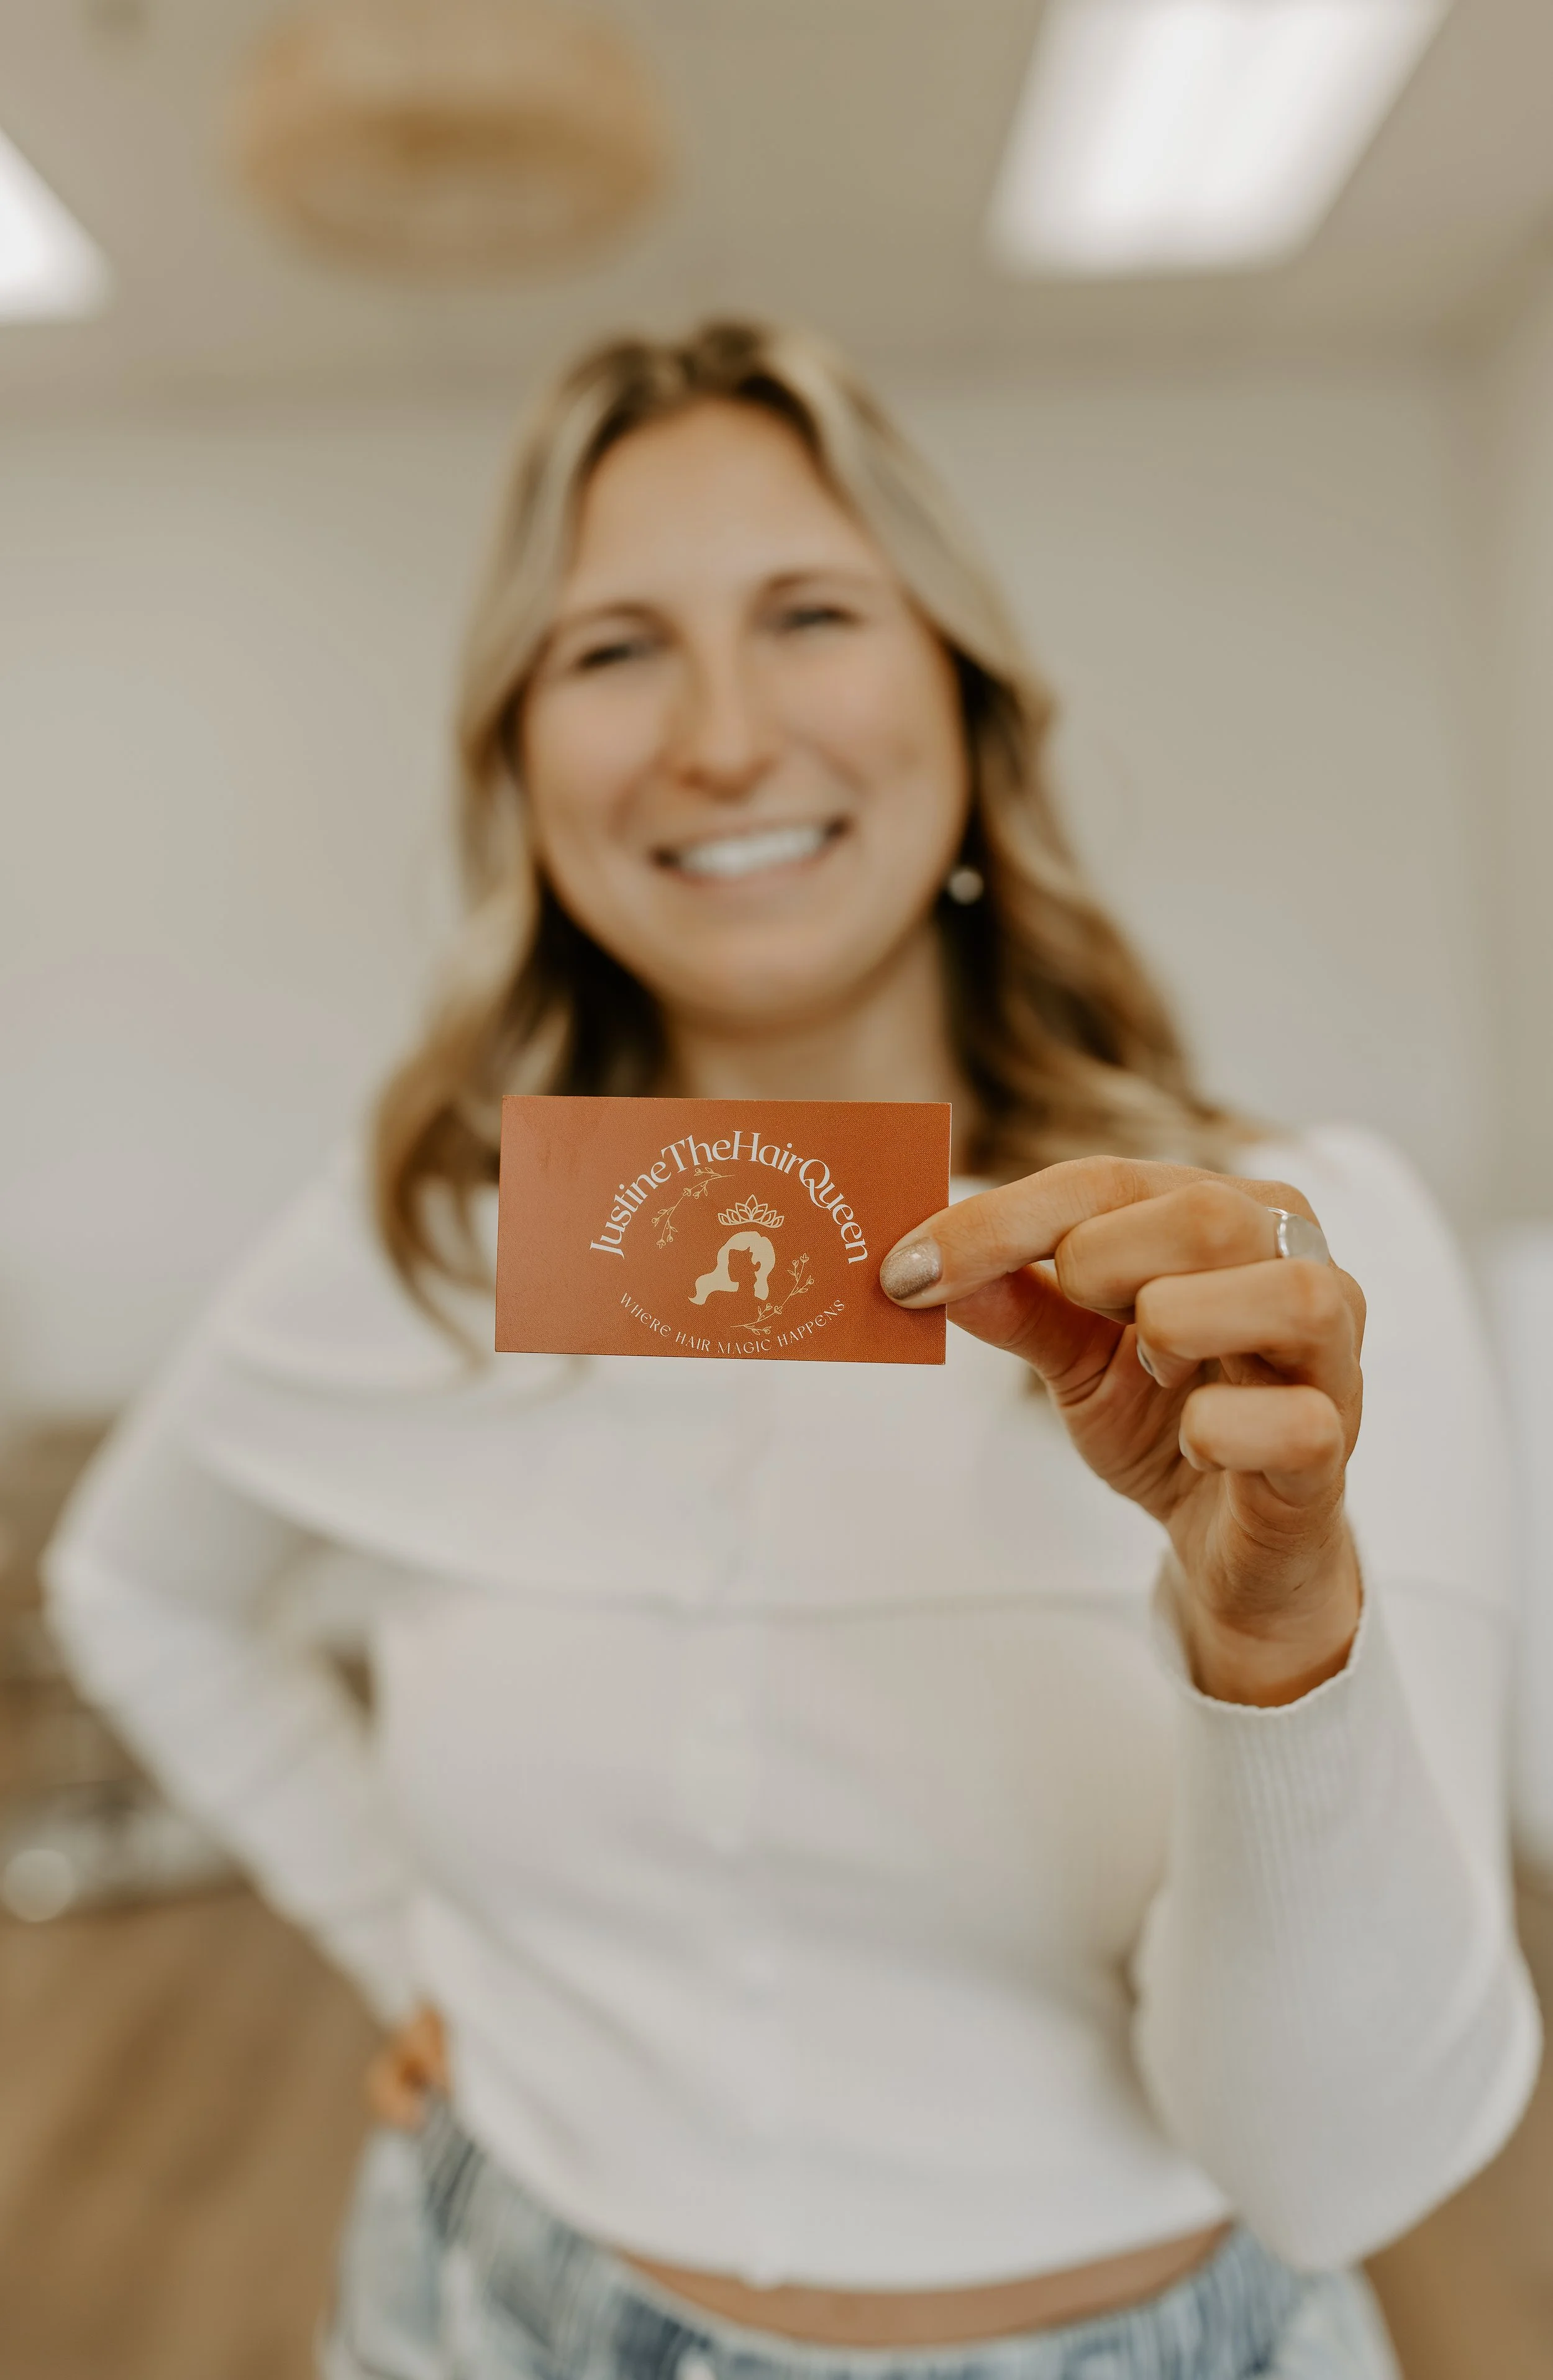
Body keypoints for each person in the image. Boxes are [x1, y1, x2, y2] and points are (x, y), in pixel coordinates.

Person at [45, 321, 1539, 2380]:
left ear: (962, 701)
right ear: (518, 765)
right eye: (612, 650)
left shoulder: (1288, 1273)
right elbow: (136, 1587)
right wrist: (408, 1942)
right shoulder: (431, 1238)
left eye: (812, 614)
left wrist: (1278, 1642)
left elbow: (1340, 2177)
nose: (721, 738)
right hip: (480, 2314)